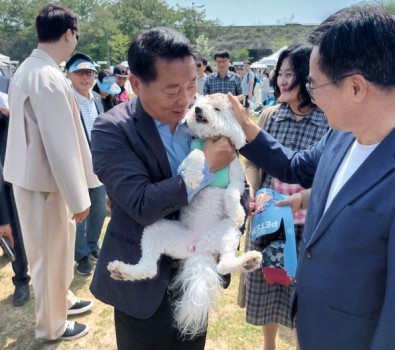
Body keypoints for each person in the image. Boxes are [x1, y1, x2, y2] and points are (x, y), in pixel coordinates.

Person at [228, 5, 395, 350]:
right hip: (314, 327)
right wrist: (245, 128)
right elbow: (295, 167)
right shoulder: (343, 134)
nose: (312, 94)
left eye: (314, 83)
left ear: (355, 87)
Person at [89, 27, 235, 350]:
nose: (185, 99)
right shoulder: (112, 129)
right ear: (137, 83)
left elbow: (231, 171)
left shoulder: (199, 117)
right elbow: (142, 203)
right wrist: (206, 169)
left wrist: (240, 199)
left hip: (195, 273)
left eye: (191, 84)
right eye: (172, 90)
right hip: (143, 286)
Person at [4, 3, 101, 341]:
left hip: (36, 177)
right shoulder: (46, 76)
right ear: (67, 34)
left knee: (53, 251)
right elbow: (59, 144)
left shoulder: (30, 70)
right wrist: (78, 196)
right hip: (46, 182)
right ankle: (51, 326)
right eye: (76, 33)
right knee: (48, 254)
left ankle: (62, 301)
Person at [244, 44, 328, 350]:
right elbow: (254, 162)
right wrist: (252, 189)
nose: (280, 80)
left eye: (289, 74)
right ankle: (268, 345)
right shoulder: (269, 115)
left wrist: (304, 198)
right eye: (279, 73)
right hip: (269, 221)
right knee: (269, 285)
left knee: (302, 294)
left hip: (308, 224)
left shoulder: (328, 121)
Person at [65, 53, 107, 276]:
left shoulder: (97, 98)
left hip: (98, 165)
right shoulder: (66, 98)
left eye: (89, 72)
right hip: (75, 165)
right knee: (79, 213)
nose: (85, 77)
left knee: (99, 210)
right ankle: (80, 255)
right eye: (80, 72)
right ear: (69, 74)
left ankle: (92, 245)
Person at [0, 81, 31, 307]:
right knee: (13, 231)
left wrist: (13, 114)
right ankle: (21, 279)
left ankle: (47, 277)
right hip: (4, 174)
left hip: (27, 163)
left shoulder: (9, 82)